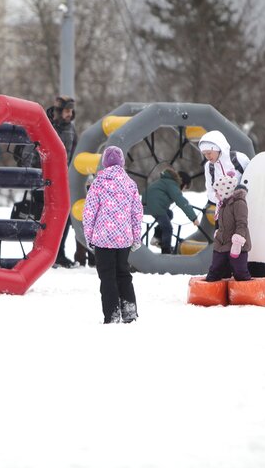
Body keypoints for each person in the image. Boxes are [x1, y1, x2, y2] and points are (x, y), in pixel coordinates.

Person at [82, 146, 143, 324]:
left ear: (104, 163)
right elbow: (136, 213)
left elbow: (89, 213)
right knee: (123, 273)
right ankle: (129, 311)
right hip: (124, 238)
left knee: (107, 277)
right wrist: (136, 237)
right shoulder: (130, 184)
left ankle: (112, 313)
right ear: (122, 162)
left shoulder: (98, 183)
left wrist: (89, 238)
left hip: (103, 238)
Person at [16, 96, 79, 267]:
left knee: (63, 218)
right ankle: (38, 253)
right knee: (42, 217)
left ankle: (58, 253)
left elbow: (75, 153)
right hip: (41, 178)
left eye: (71, 111)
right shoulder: (45, 125)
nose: (70, 114)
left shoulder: (71, 129)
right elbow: (30, 150)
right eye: (67, 110)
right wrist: (30, 175)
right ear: (59, 111)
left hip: (61, 181)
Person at [205, 172, 251, 282]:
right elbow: (222, 223)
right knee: (214, 272)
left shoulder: (239, 203)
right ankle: (211, 288)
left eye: (217, 191)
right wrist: (218, 233)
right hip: (221, 243)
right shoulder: (222, 204)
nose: (215, 194)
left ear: (224, 191)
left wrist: (238, 238)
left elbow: (242, 223)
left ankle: (245, 288)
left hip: (237, 244)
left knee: (240, 273)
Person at [144, 168, 199, 254]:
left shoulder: (166, 181)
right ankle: (166, 251)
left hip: (149, 205)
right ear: (182, 183)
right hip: (156, 206)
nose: (183, 190)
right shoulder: (172, 185)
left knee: (169, 214)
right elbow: (181, 201)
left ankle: (157, 237)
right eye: (185, 187)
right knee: (168, 228)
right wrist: (194, 218)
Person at [198, 130, 250, 207]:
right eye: (204, 154)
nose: (207, 156)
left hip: (246, 206)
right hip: (224, 210)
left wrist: (240, 192)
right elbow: (210, 193)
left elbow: (254, 179)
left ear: (219, 148)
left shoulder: (239, 158)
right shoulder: (209, 167)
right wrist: (217, 197)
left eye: (209, 153)